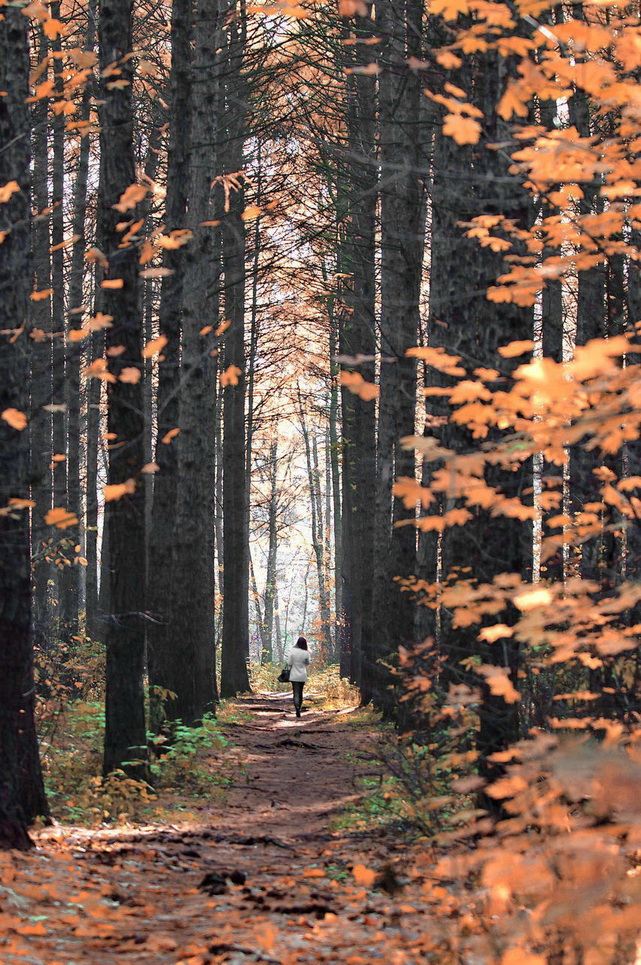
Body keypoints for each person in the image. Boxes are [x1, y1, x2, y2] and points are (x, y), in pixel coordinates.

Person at [287, 636, 310, 718]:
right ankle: (299, 707)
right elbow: (308, 663)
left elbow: (289, 663)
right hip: (302, 674)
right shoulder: (306, 652)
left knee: (295, 692)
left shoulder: (293, 651)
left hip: (294, 674)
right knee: (300, 692)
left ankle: (296, 707)